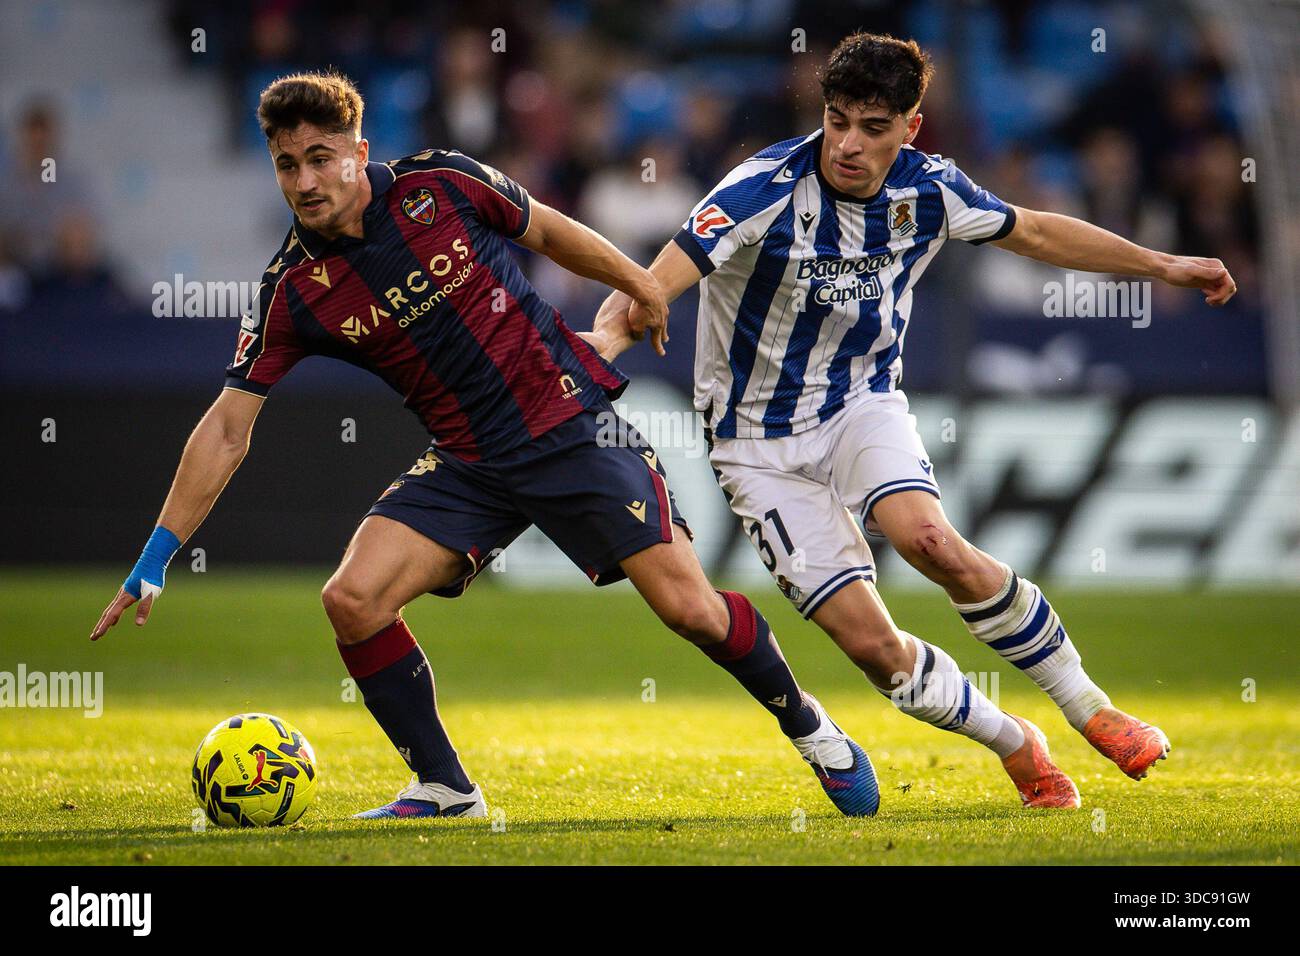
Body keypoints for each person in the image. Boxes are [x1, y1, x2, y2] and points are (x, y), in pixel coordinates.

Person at [89, 71, 881, 820]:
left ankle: (810, 726)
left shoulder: (442, 183)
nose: (304, 182)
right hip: (469, 462)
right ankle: (445, 787)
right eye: (286, 164)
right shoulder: (292, 291)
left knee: (691, 611)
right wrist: (156, 557)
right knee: (352, 600)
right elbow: (229, 427)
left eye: (320, 159)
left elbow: (549, 231)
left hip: (568, 422)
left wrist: (640, 281)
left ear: (359, 152)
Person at [592, 33, 1237, 808]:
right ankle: (1016, 742)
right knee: (874, 649)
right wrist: (607, 338)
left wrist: (1164, 264)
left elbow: (1033, 229)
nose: (848, 145)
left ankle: (1090, 708)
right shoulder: (760, 189)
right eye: (836, 121)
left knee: (932, 542)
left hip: (861, 403)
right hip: (753, 444)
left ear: (911, 128)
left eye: (871, 126)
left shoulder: (933, 191)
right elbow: (648, 285)